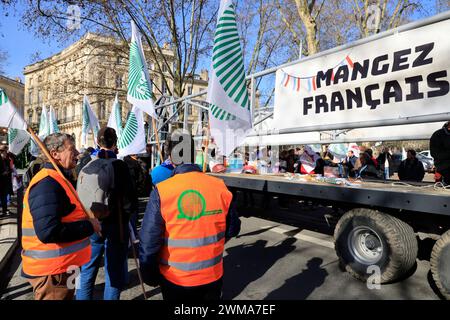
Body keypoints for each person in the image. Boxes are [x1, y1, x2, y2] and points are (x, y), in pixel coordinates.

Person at [139, 135, 241, 301]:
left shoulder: (163, 191)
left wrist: (149, 275)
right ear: (193, 154)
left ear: (171, 157)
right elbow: (233, 228)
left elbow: (149, 240)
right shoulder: (219, 186)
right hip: (212, 276)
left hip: (176, 280)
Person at [21, 133, 101, 300]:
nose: (78, 153)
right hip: (53, 273)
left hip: (66, 267)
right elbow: (48, 232)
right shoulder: (47, 184)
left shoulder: (59, 178)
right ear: (54, 154)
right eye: (71, 149)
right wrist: (89, 226)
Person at [76, 127, 136, 300]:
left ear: (97, 142)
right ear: (115, 142)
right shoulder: (120, 165)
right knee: (114, 273)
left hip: (92, 223)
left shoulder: (86, 162)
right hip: (116, 225)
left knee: (86, 270)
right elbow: (130, 200)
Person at [0, 146, 12, 215]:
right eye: (4, 151)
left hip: (5, 181)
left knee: (4, 197)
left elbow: (9, 169)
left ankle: (5, 210)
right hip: (1, 181)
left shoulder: (6, 159)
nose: (6, 153)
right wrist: (2, 173)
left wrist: (8, 171)